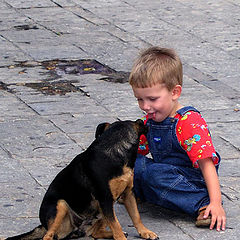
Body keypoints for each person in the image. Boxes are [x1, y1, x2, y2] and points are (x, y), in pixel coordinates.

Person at [129, 46, 226, 231]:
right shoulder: (149, 121)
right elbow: (136, 151)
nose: (145, 106)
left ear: (175, 92)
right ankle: (142, 193)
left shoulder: (188, 122)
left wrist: (216, 202)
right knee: (132, 162)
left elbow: (207, 163)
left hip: (190, 181)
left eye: (152, 99)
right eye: (139, 99)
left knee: (154, 175)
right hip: (163, 174)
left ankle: (201, 204)